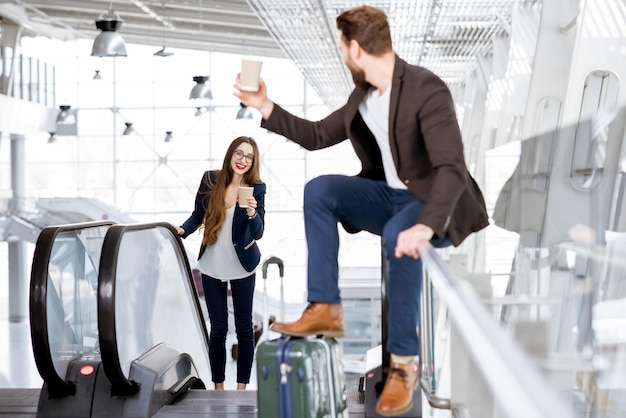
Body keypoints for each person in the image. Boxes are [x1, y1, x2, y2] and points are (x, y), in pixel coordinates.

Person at [235, 5, 488, 416]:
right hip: (387, 196)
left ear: (355, 48)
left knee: (397, 237)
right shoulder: (365, 95)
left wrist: (424, 226)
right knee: (320, 190)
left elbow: (452, 168)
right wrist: (265, 106)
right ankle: (325, 307)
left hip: (429, 202)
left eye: (341, 47)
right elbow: (317, 135)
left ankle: (404, 365)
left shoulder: (427, 89)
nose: (341, 54)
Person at [176, 136, 266, 391]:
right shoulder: (210, 179)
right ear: (230, 154)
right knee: (218, 329)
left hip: (242, 264)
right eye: (239, 153)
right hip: (213, 262)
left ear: (253, 162)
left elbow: (258, 232)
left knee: (244, 329)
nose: (243, 160)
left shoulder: (256, 187)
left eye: (249, 157)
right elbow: (198, 215)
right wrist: (182, 230)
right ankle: (218, 387)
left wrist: (252, 212)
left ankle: (241, 389)